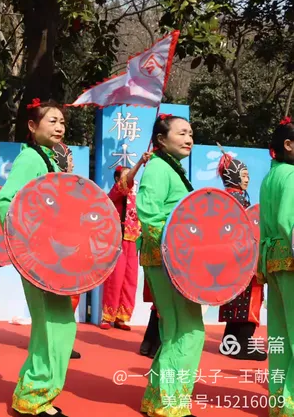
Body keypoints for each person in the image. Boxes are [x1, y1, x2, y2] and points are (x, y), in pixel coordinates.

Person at [0, 98, 71, 417]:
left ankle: (36, 392)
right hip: (38, 256)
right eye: (52, 121)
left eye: (62, 122)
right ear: (32, 125)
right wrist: (25, 242)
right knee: (50, 325)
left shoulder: (50, 160)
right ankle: (33, 397)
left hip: (52, 256)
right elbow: (5, 201)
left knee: (59, 325)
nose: (59, 126)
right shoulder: (30, 158)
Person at [136, 113, 202, 417]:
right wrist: (176, 247)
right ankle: (171, 403)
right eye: (182, 133)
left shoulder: (168, 167)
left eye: (190, 133)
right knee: (188, 331)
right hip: (169, 260)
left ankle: (157, 399)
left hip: (173, 259)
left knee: (176, 330)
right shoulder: (158, 168)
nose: (189, 139)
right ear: (161, 140)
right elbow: (149, 215)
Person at [259, 117, 294, 413]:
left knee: (280, 334)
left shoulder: (271, 176)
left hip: (273, 259)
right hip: (291, 257)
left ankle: (280, 401)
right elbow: (287, 221)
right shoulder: (292, 175)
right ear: (289, 145)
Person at [217, 153, 266, 361]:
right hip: (244, 259)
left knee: (235, 304)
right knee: (249, 302)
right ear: (233, 175)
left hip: (230, 261)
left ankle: (229, 344)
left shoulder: (226, 197)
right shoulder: (237, 199)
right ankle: (244, 345)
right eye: (244, 175)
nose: (247, 179)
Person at [100, 153, 151, 331]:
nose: (132, 179)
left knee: (130, 281)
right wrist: (140, 162)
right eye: (127, 175)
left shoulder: (137, 197)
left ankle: (121, 317)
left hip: (134, 242)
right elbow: (126, 182)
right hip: (119, 241)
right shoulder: (117, 192)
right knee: (115, 279)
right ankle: (107, 316)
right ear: (118, 179)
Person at [52, 142, 82, 360]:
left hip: (71, 245)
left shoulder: (69, 186)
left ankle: (62, 342)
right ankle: (59, 344)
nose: (72, 164)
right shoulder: (56, 186)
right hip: (60, 248)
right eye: (70, 159)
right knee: (63, 298)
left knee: (71, 297)